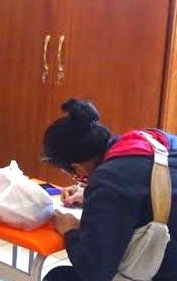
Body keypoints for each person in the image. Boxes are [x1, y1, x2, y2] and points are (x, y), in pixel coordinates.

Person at [41, 99, 177, 281]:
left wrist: (70, 231)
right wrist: (92, 195)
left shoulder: (108, 183)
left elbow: (94, 271)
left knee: (58, 277)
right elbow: (152, 190)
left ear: (77, 168)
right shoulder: (154, 139)